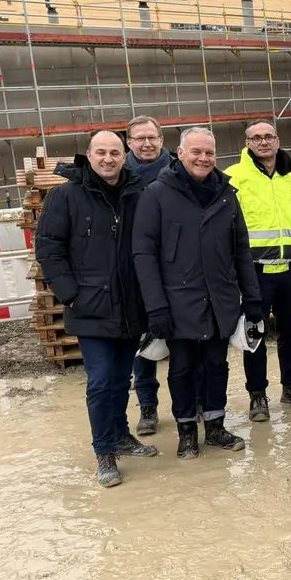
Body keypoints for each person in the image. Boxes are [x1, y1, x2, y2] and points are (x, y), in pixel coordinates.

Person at [36, 132, 156, 487]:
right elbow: (49, 249)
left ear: (125, 155)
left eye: (114, 152)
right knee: (102, 380)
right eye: (100, 152)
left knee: (120, 378)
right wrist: (71, 295)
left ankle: (120, 435)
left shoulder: (138, 193)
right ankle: (104, 451)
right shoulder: (65, 197)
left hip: (130, 306)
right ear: (88, 156)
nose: (108, 159)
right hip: (90, 307)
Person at [133, 127, 260, 460]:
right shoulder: (157, 194)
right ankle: (187, 430)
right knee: (182, 368)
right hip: (178, 302)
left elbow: (241, 250)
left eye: (209, 153)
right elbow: (144, 255)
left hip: (220, 299)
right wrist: (155, 307)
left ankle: (215, 426)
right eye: (196, 152)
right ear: (180, 153)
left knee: (217, 365)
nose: (204, 158)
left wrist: (252, 297)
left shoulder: (226, 194)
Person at [224, 120, 291, 423]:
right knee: (255, 336)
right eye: (256, 138)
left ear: (277, 141)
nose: (263, 142)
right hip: (254, 273)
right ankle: (257, 394)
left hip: (289, 271)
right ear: (247, 143)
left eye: (268, 137)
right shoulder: (234, 178)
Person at [124, 115, 171, 436]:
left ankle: (191, 402)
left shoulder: (178, 171)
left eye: (152, 137)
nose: (146, 143)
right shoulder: (120, 175)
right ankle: (148, 406)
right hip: (137, 269)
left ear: (161, 140)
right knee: (144, 344)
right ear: (129, 142)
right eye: (139, 138)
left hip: (177, 267)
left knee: (185, 340)